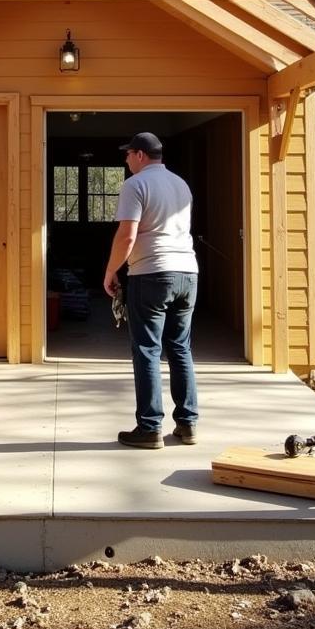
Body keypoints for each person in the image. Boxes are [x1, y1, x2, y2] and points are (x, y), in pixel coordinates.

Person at [103, 132, 199, 449]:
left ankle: (149, 427)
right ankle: (187, 424)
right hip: (188, 273)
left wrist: (111, 270)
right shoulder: (180, 184)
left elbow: (127, 236)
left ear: (141, 155)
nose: (126, 160)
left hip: (153, 273)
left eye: (128, 154)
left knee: (147, 349)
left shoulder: (136, 184)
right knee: (180, 348)